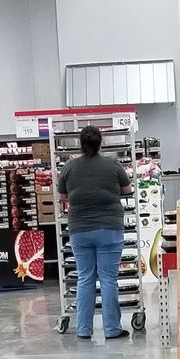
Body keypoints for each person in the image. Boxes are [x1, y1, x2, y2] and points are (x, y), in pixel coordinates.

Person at [57, 125, 132, 340]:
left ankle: (83, 329)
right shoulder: (112, 165)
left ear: (81, 144)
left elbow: (62, 196)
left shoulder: (70, 167)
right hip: (109, 228)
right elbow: (127, 190)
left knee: (85, 278)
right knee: (108, 279)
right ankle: (111, 329)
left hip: (80, 229)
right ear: (101, 143)